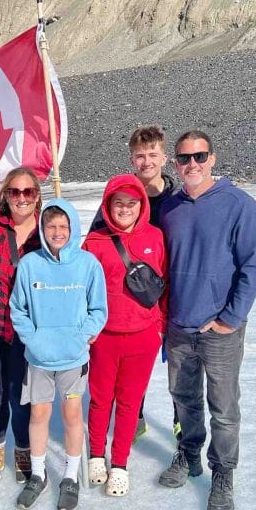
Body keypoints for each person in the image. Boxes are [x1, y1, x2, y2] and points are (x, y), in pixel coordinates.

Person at [157, 130, 256, 510]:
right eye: (184, 158)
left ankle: (223, 472)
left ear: (213, 159)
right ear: (175, 163)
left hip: (219, 329)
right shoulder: (169, 208)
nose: (192, 165)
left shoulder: (239, 205)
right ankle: (188, 456)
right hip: (178, 326)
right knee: (183, 399)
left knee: (223, 406)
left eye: (199, 157)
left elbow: (254, 266)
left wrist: (230, 318)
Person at [9, 199, 107, 510]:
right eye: (51, 226)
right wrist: (32, 339)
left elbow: (98, 309)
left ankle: (69, 475)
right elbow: (18, 309)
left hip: (73, 358)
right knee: (38, 416)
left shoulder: (88, 264)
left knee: (72, 416)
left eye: (63, 226)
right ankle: (38, 475)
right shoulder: (29, 265)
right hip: (39, 358)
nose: (57, 232)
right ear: (42, 228)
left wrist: (82, 336)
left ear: (73, 228)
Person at [88, 125, 179, 442]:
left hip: (167, 293)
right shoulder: (119, 199)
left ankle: (180, 420)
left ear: (164, 157)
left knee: (176, 363)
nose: (147, 162)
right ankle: (134, 414)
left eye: (153, 154)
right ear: (132, 159)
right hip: (124, 305)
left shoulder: (177, 200)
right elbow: (95, 247)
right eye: (140, 156)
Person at [81, 174, 168, 496]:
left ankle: (119, 464)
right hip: (104, 337)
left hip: (142, 336)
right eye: (119, 203)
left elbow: (164, 283)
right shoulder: (94, 243)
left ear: (142, 205)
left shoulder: (156, 237)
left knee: (130, 403)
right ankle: (95, 456)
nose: (125, 209)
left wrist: (160, 325)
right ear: (108, 206)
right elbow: (82, 291)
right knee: (101, 400)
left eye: (132, 203)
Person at [0, 168, 43, 483]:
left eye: (28, 192)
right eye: (15, 192)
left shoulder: (47, 228)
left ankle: (24, 449)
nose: (21, 198)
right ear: (6, 195)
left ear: (37, 195)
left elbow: (71, 265)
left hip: (27, 331)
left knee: (21, 394)